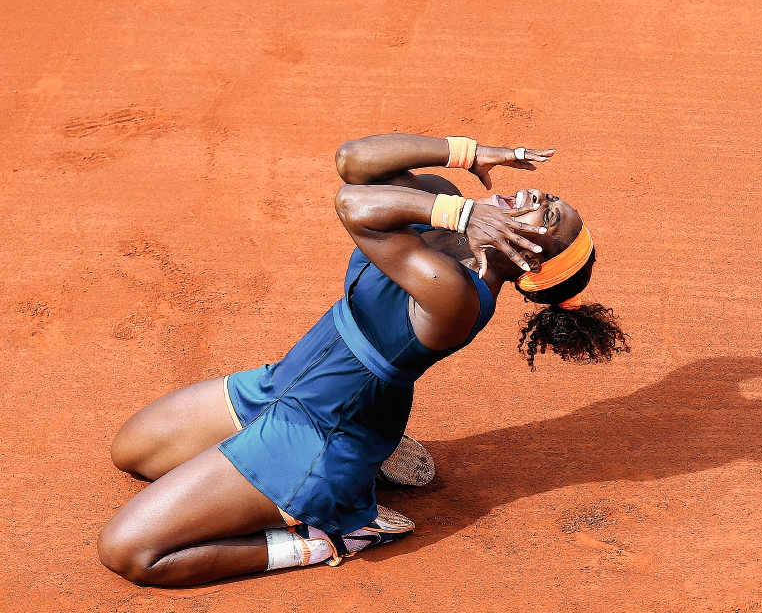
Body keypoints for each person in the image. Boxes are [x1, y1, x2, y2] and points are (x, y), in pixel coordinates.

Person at [98, 134, 629, 586]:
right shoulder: (443, 217)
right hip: (284, 386)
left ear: (529, 254)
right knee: (133, 453)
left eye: (548, 212)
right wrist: (468, 154)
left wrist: (466, 211)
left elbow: (354, 207)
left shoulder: (456, 299)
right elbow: (354, 161)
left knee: (129, 552)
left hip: (316, 439)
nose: (538, 193)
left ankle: (331, 537)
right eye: (549, 195)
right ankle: (377, 452)